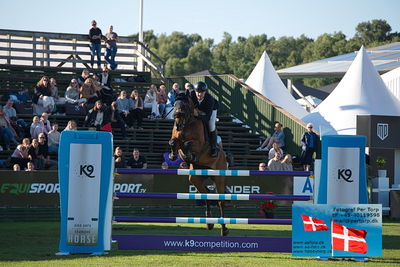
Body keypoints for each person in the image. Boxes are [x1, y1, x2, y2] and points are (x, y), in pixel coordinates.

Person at [190, 81, 219, 157]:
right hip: (198, 110)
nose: (199, 94)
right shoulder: (191, 94)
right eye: (198, 92)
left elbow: (207, 118)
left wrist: (197, 115)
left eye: (201, 92)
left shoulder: (210, 100)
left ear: (205, 92)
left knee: (211, 126)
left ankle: (214, 147)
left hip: (210, 111)